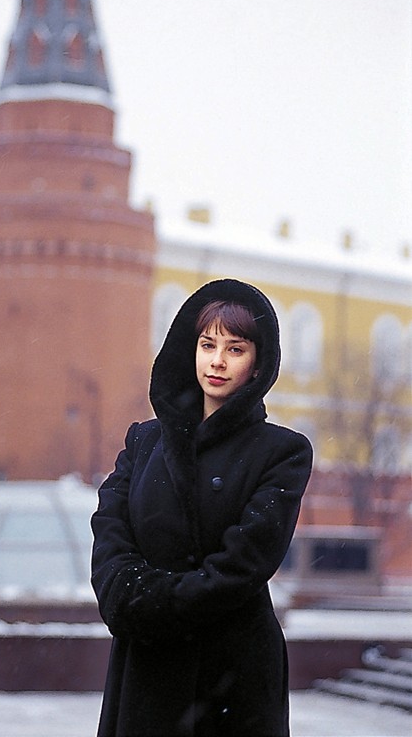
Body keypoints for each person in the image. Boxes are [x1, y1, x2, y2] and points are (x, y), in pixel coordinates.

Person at [91, 278, 313, 737]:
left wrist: (160, 603)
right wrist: (126, 596)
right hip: (147, 665)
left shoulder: (282, 452)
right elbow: (110, 530)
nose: (217, 361)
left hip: (231, 671)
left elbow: (246, 562)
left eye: (235, 349)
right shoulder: (144, 441)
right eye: (207, 345)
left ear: (259, 364)